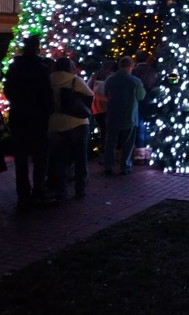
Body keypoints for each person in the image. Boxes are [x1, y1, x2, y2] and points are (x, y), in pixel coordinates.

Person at [3, 35, 55, 209]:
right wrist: (47, 111)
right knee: (40, 157)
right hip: (37, 118)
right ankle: (38, 192)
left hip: (19, 117)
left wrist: (17, 103)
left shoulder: (15, 67)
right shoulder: (41, 69)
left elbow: (8, 90)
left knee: (21, 159)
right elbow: (47, 94)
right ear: (36, 48)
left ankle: (23, 196)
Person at [47, 57, 93, 200]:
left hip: (55, 123)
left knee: (59, 159)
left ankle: (61, 189)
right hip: (77, 122)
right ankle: (80, 188)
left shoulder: (49, 80)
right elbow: (90, 94)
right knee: (80, 158)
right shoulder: (74, 80)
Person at [103, 55, 145, 176]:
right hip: (129, 116)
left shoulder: (110, 79)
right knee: (128, 143)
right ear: (130, 66)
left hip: (113, 115)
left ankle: (109, 165)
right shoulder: (135, 81)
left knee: (110, 142)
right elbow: (141, 96)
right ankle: (125, 166)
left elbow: (106, 93)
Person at [132, 50, 158, 163]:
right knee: (148, 126)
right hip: (150, 101)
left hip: (137, 102)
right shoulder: (152, 70)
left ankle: (140, 155)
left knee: (139, 127)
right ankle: (148, 154)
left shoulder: (134, 71)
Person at [87, 60, 117, 155]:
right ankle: (107, 152)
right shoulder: (112, 77)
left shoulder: (95, 76)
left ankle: (103, 151)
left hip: (97, 107)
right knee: (107, 131)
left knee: (104, 130)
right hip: (107, 107)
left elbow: (88, 88)